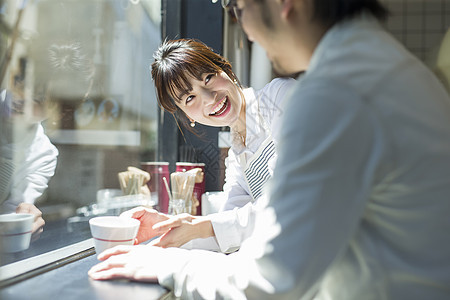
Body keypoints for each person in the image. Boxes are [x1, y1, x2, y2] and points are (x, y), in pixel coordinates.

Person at [89, 0, 450, 299]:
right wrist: (185, 229)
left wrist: (170, 263)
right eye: (190, 98)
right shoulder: (379, 67)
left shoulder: (326, 95)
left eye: (239, 8)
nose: (245, 29)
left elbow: (274, 277)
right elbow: (243, 225)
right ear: (186, 116)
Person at [122, 38, 295, 252]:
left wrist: (201, 226)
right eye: (190, 98)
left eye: (208, 77)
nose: (209, 98)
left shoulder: (279, 98)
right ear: (188, 116)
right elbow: (227, 232)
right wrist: (164, 226)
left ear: (225, 69)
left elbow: (290, 202)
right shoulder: (236, 159)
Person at [1, 89, 57, 240]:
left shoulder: (43, 154)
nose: (21, 98)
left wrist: (23, 223)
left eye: (38, 98)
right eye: (20, 83)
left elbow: (11, 212)